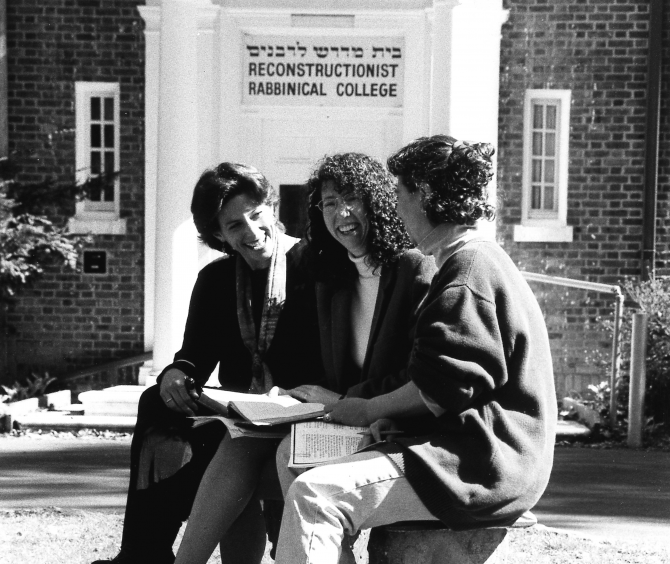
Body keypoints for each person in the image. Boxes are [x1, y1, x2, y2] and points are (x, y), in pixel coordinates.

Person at [272, 135, 558, 564]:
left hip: (480, 465)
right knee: (296, 461)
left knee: (315, 496)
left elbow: (441, 389)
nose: (396, 204)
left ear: (422, 195)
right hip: (458, 450)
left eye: (399, 192)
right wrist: (393, 416)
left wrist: (367, 409)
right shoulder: (470, 260)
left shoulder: (466, 270)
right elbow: (449, 384)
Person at [172, 152, 436, 564]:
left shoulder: (410, 270)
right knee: (244, 446)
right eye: (329, 204)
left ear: (378, 201)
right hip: (336, 411)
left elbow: (422, 375)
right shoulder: (336, 276)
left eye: (352, 199)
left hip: (386, 422)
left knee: (272, 455)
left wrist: (343, 402)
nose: (341, 214)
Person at [93, 162, 323, 564]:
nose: (251, 232)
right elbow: (194, 357)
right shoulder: (216, 279)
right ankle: (143, 552)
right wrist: (176, 373)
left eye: (256, 215)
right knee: (155, 402)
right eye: (234, 226)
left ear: (273, 208)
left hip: (303, 409)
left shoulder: (316, 266)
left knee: (231, 451)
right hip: (241, 414)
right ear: (219, 235)